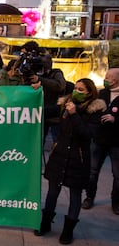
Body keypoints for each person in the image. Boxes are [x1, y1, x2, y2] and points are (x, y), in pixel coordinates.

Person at [34, 78, 106, 244]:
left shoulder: (95, 110)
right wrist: (34, 93)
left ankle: (68, 230)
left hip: (78, 159)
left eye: (81, 90)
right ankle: (45, 223)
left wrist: (74, 114)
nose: (77, 92)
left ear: (90, 92)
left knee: (75, 196)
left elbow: (87, 134)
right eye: (76, 88)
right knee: (52, 192)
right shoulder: (65, 103)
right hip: (59, 155)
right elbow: (45, 111)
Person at [82, 68, 119, 214]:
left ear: (116, 79)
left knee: (117, 175)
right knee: (92, 171)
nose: (106, 78)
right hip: (99, 140)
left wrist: (115, 119)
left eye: (109, 77)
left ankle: (116, 202)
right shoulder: (101, 94)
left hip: (116, 142)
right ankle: (89, 197)